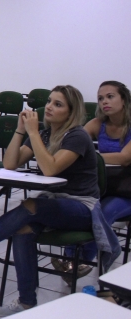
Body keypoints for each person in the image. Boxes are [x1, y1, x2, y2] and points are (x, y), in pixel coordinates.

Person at [0, 85, 119, 318]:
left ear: (71, 112)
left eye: (58, 104)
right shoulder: (44, 135)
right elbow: (10, 164)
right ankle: (26, 302)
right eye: (50, 101)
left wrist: (33, 133)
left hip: (83, 208)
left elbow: (50, 168)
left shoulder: (77, 136)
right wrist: (20, 130)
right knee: (23, 229)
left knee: (31, 206)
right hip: (54, 203)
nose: (49, 107)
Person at [56, 81, 131, 280]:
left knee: (102, 213)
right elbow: (73, 140)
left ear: (124, 99)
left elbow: (124, 158)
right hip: (103, 186)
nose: (104, 101)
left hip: (126, 190)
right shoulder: (98, 124)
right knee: (80, 209)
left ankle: (81, 261)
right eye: (100, 98)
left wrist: (89, 157)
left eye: (110, 96)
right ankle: (69, 260)